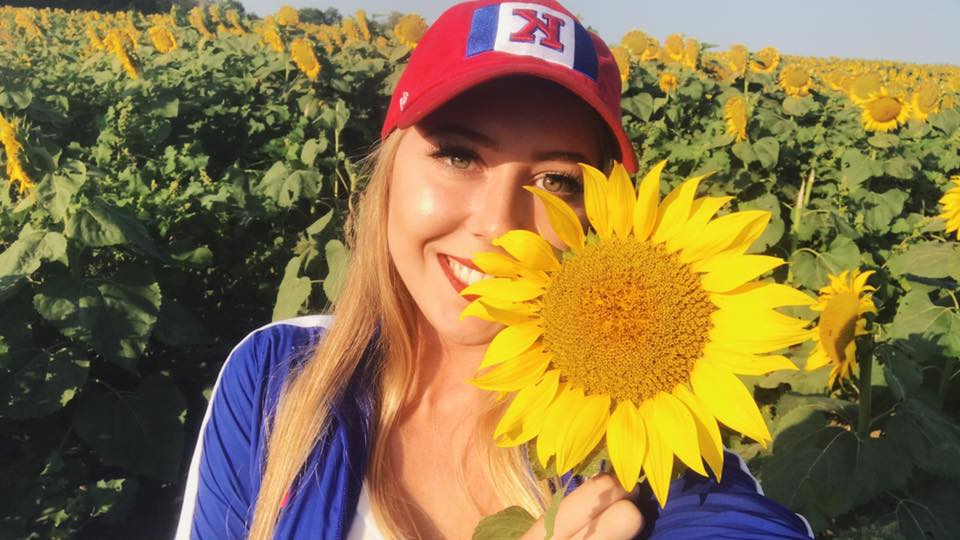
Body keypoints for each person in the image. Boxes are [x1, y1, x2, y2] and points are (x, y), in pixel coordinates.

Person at [175, 1, 816, 538]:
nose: (499, 226)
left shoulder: (642, 449)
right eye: (458, 155)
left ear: (599, 213)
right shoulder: (276, 381)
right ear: (388, 172)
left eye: (556, 180)